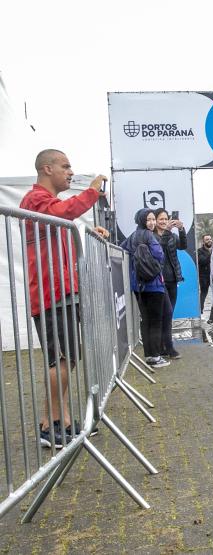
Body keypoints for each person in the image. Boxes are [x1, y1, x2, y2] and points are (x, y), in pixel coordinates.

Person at [20, 149, 108, 448]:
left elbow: (60, 223)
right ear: (47, 169)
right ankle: (52, 425)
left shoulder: (47, 204)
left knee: (66, 360)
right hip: (51, 294)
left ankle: (60, 420)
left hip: (61, 292)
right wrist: (93, 191)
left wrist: (83, 231)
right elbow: (61, 214)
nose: (71, 172)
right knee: (61, 360)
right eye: (66, 166)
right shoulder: (35, 201)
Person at [121, 209, 169, 370]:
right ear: (142, 220)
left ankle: (149, 354)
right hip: (154, 285)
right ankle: (155, 357)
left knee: (146, 320)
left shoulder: (132, 236)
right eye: (149, 220)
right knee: (156, 321)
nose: (152, 223)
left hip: (138, 286)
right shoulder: (149, 236)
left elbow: (121, 251)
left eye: (153, 219)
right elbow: (159, 256)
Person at [153, 208, 185, 359]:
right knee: (165, 313)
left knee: (168, 314)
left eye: (166, 219)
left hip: (173, 278)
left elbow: (183, 246)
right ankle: (168, 347)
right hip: (159, 280)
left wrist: (182, 229)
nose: (164, 221)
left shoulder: (171, 235)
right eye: (161, 219)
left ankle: (163, 347)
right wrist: (167, 231)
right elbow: (160, 247)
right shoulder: (152, 236)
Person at [197, 234, 213, 313]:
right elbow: (202, 261)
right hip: (204, 276)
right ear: (203, 242)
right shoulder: (199, 251)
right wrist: (211, 254)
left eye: (210, 239)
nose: (209, 241)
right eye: (207, 239)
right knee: (203, 293)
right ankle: (200, 311)